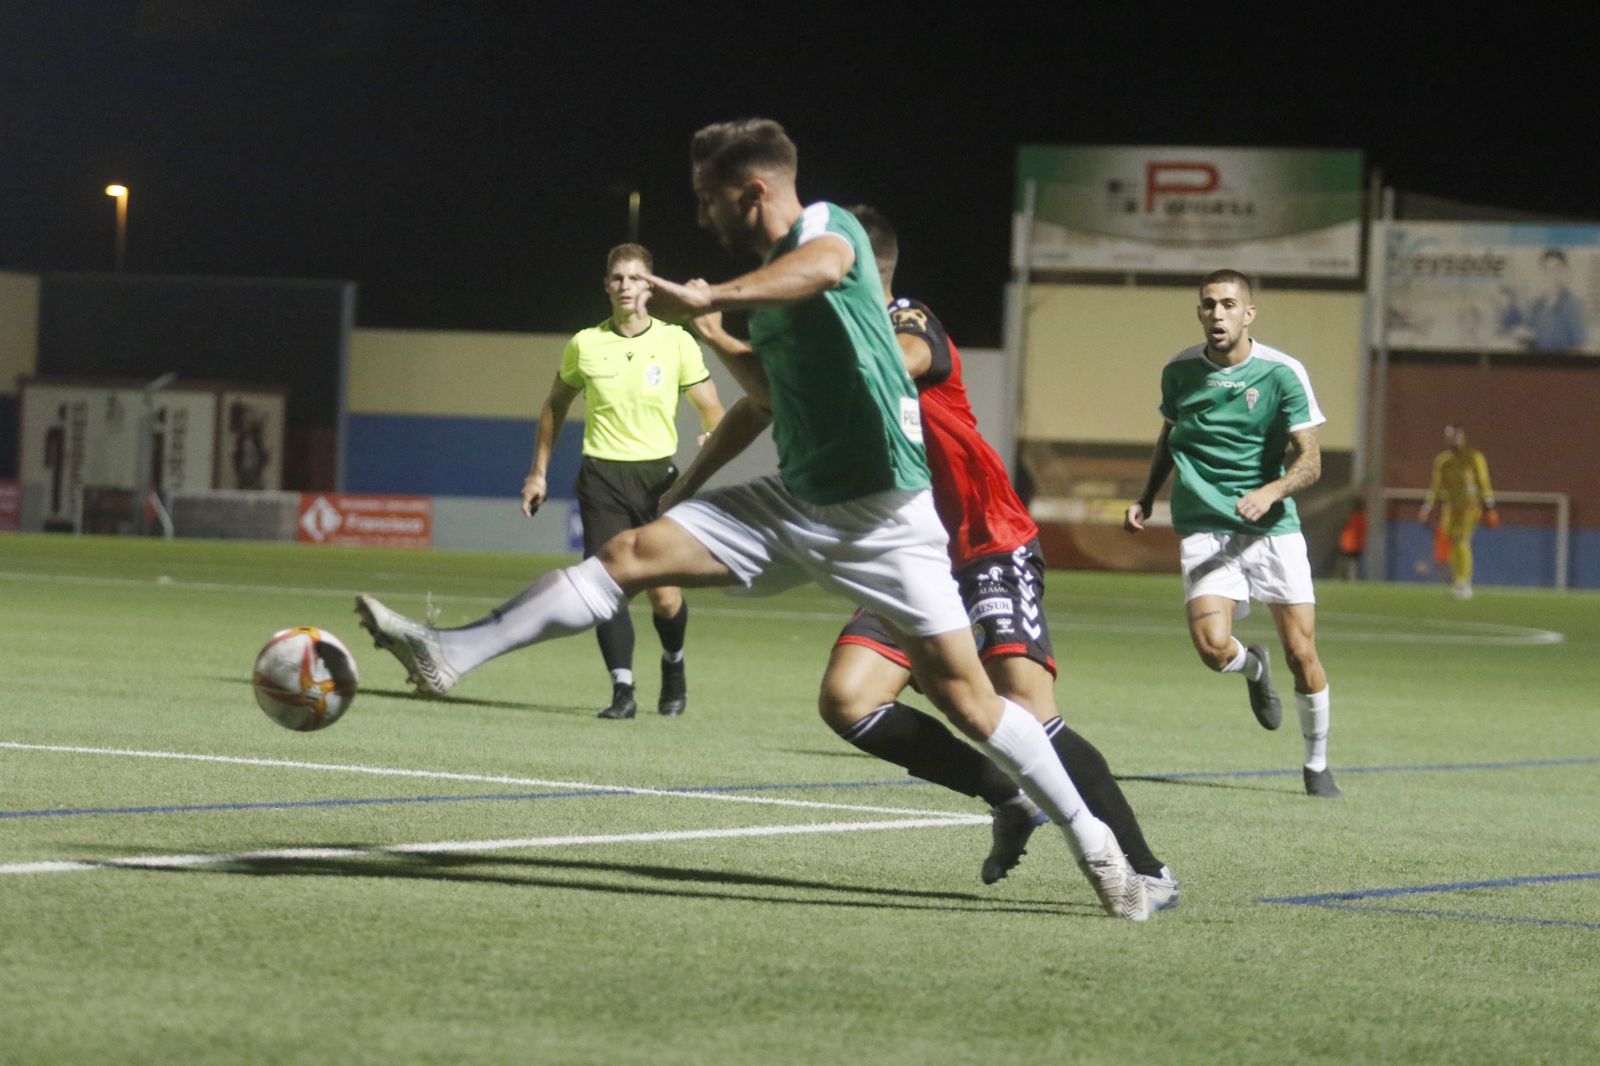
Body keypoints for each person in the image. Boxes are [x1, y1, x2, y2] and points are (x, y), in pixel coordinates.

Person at [357, 118, 1149, 920]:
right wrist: (718, 343)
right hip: (798, 502)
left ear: (753, 191)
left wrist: (713, 299)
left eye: (707, 201)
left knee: (976, 707)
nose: (702, 218)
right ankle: (449, 653)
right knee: (631, 553)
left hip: (889, 522)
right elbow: (767, 398)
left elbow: (827, 266)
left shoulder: (826, 230)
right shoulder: (769, 287)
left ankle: (1097, 847)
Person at [800, 205, 1177, 906]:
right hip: (910, 550)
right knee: (848, 700)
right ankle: (1005, 793)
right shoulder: (829, 336)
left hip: (985, 543)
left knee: (1027, 709)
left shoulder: (910, 319)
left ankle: (1147, 869)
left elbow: (908, 358)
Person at [1123, 269, 1342, 800]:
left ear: (1249, 314)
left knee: (1302, 653)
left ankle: (1317, 764)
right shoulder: (1178, 371)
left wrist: (1273, 491)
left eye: (1227, 305)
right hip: (1204, 527)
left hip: (1271, 529)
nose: (1216, 314)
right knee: (1212, 647)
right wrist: (1147, 495)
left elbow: (1311, 462)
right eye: (1207, 305)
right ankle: (1251, 667)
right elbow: (1168, 436)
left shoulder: (1283, 373)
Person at [521, 243, 725, 719]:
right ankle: (622, 690)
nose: (626, 286)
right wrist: (538, 472)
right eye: (618, 278)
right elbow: (554, 405)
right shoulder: (585, 344)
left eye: (636, 278)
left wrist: (714, 430)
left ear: (650, 286)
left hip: (659, 482)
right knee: (604, 587)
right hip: (601, 478)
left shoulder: (676, 342)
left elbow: (712, 405)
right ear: (607, 286)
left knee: (664, 595)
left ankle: (673, 666)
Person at [1418, 425, 1497, 600]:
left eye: (1456, 437)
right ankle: (1459, 580)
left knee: (1462, 540)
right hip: (1451, 508)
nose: (1453, 441)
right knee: (1452, 542)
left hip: (1470, 507)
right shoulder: (1443, 461)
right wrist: (1427, 508)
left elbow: (1483, 482)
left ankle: (1465, 582)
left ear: (1463, 438)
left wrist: (1489, 507)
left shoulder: (1474, 458)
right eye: (1450, 437)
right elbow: (1436, 486)